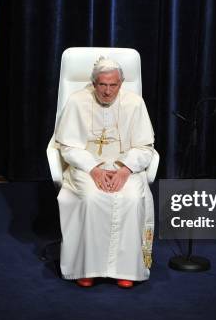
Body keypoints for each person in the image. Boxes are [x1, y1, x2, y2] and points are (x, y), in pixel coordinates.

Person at [54, 56, 155, 288]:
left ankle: (127, 269)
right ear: (93, 83)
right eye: (102, 85)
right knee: (91, 197)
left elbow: (144, 147)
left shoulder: (135, 103)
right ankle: (86, 267)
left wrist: (125, 169)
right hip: (86, 166)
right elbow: (68, 146)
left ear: (122, 83)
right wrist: (93, 169)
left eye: (113, 85)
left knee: (130, 198)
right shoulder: (77, 101)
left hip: (125, 167)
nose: (108, 92)